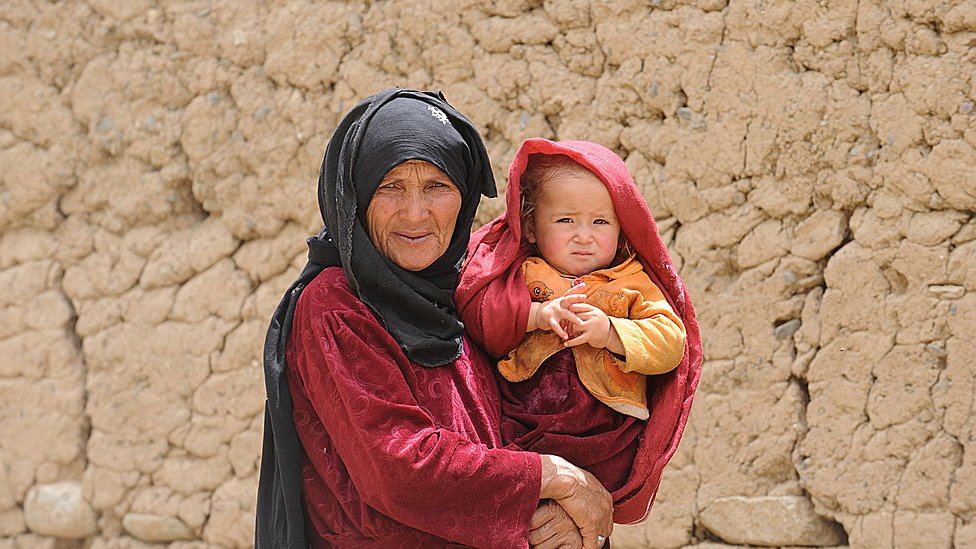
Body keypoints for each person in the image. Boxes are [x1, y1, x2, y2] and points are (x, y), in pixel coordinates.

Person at [256, 89, 613, 549]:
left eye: (437, 187)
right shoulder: (336, 306)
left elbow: (514, 432)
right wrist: (554, 478)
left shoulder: (470, 299)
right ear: (358, 196)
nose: (415, 213)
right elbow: (399, 470)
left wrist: (566, 511)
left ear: (463, 198)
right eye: (391, 187)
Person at [456, 138, 703, 525]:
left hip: (603, 442)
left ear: (624, 231)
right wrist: (536, 315)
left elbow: (671, 343)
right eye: (565, 220)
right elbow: (480, 320)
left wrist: (611, 332)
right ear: (533, 228)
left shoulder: (633, 283)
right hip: (524, 433)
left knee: (583, 524)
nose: (584, 236)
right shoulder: (522, 275)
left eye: (600, 222)